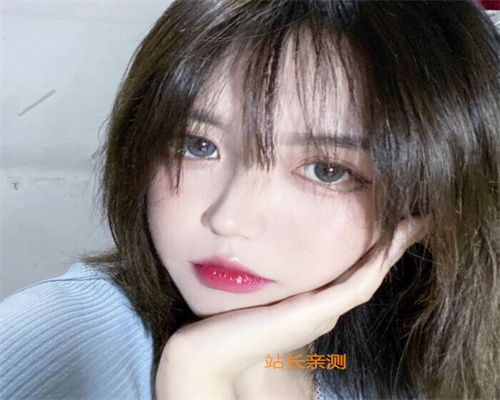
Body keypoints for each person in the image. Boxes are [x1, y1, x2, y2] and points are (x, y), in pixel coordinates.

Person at [1, 1, 498, 399]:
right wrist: (195, 371)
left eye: (327, 170)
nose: (229, 218)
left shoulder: (376, 356)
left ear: (431, 196)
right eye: (198, 145)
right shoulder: (52, 342)